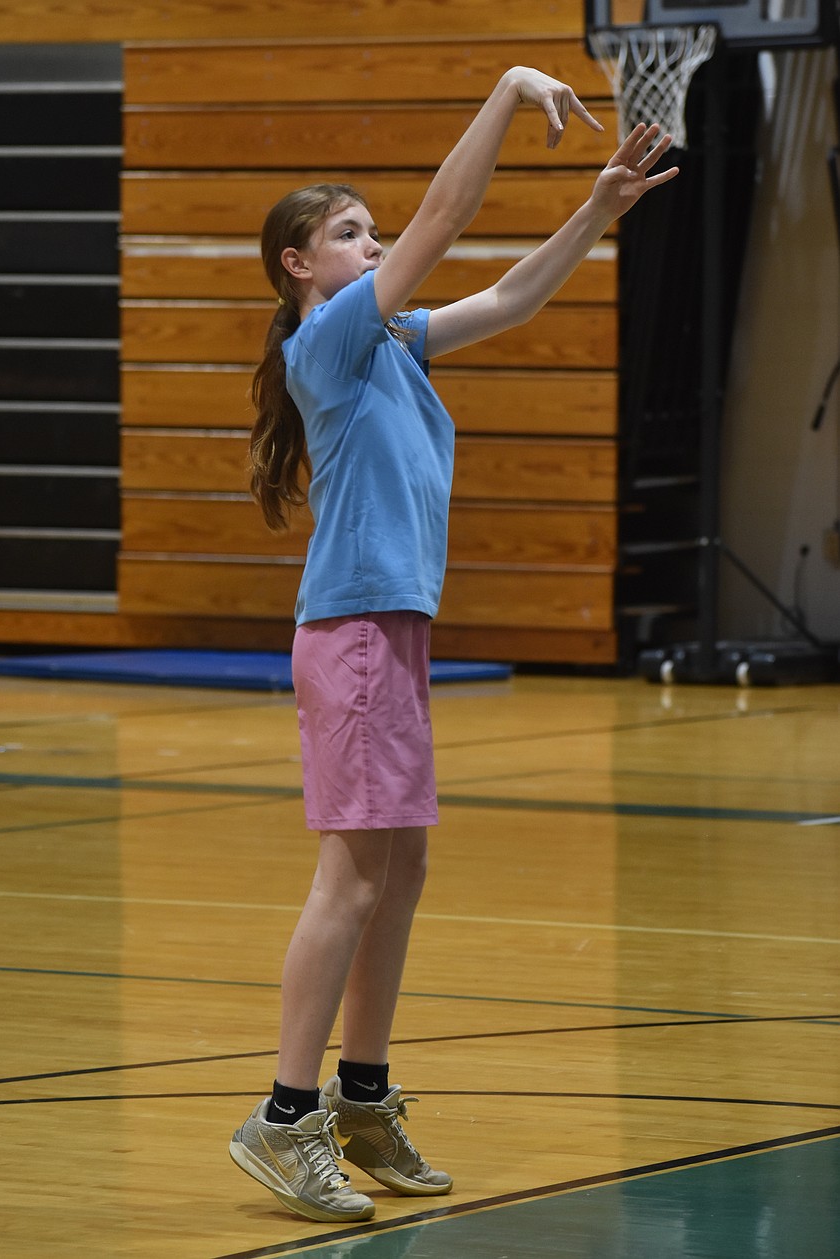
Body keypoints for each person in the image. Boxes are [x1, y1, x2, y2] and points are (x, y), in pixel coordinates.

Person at [229, 66, 678, 1226]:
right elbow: (443, 220)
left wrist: (594, 210)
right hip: (357, 633)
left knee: (401, 870)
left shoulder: (391, 345)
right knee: (353, 875)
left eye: (369, 231)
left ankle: (363, 1095)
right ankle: (284, 1116)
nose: (372, 243)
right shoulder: (326, 341)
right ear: (299, 266)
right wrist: (508, 90)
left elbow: (511, 299)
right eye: (348, 233)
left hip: (394, 631)